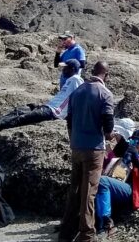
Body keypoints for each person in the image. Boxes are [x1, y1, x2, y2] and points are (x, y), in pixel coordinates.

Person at [60, 61, 114, 242]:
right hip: (94, 149)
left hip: (77, 147)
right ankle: (86, 234)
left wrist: (74, 139)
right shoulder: (105, 94)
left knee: (74, 188)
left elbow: (69, 120)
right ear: (106, 74)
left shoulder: (77, 91)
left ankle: (66, 232)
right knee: (88, 192)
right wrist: (112, 136)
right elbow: (108, 126)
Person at [0, 59, 83, 137]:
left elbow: (81, 97)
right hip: (47, 107)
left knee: (23, 118)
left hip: (53, 112)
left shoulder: (76, 79)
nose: (63, 70)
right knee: (20, 110)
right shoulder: (69, 80)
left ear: (72, 69)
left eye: (65, 68)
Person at [94, 129, 139, 235]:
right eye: (132, 141)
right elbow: (119, 156)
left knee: (103, 181)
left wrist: (136, 158)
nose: (133, 144)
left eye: (137, 141)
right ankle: (95, 222)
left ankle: (106, 224)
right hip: (129, 186)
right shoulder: (133, 151)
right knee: (95, 183)